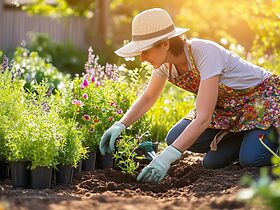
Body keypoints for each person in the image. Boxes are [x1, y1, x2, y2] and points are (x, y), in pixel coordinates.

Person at [99, 8, 280, 183]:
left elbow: (203, 118)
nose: (142, 58)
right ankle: (246, 138)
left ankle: (268, 140)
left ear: (165, 44)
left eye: (145, 50)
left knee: (251, 160)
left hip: (260, 103)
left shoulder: (205, 52)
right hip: (228, 110)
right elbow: (148, 97)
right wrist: (120, 124)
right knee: (194, 151)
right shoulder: (164, 65)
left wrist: (166, 158)